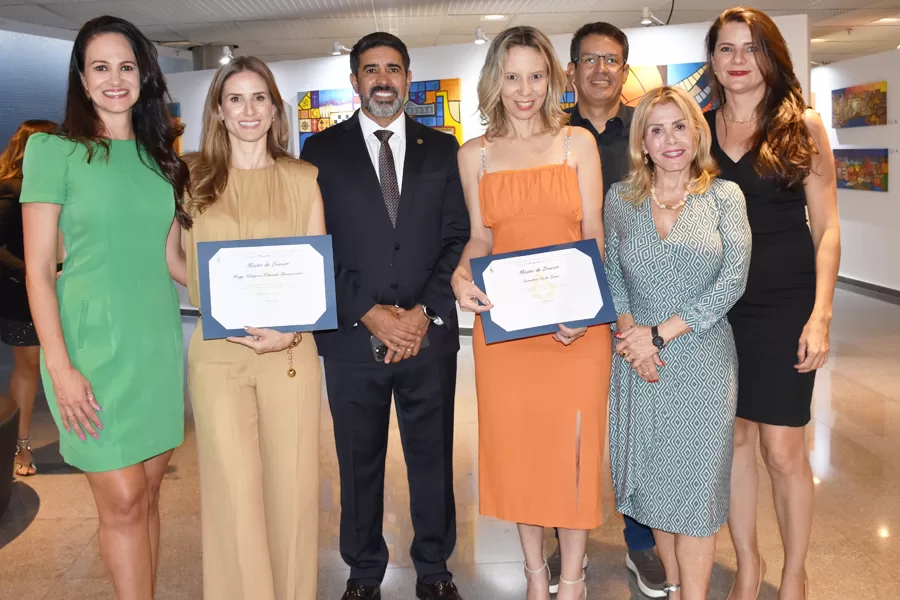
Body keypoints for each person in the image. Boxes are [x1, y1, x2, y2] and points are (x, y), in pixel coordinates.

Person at [19, 15, 189, 599]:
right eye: (100, 67)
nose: (115, 79)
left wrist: (243, 296)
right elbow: (39, 272)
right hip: (88, 346)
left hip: (155, 343)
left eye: (126, 66)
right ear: (82, 78)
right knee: (119, 499)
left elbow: (174, 261)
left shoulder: (158, 156)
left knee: (147, 494)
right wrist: (60, 369)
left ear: (143, 73)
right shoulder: (52, 151)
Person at [300, 32, 469, 600]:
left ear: (408, 77)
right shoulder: (320, 153)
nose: (382, 79)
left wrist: (422, 313)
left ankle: (434, 570)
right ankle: (364, 572)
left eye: (393, 69)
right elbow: (316, 245)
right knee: (358, 462)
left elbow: (457, 238)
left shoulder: (442, 149)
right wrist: (370, 313)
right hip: (352, 340)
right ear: (354, 81)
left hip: (428, 340)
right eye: (370, 69)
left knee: (432, 459)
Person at [451, 26, 609, 600]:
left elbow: (593, 232)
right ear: (495, 80)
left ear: (553, 78)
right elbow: (479, 238)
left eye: (535, 76)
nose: (524, 90)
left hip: (575, 324)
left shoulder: (578, 145)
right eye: (512, 76)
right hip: (508, 328)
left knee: (571, 448)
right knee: (518, 447)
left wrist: (585, 310)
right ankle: (534, 575)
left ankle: (572, 576)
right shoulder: (476, 155)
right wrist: (459, 274)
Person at [704, 8, 840, 600]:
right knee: (733, 440)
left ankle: (793, 573)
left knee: (784, 449)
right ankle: (750, 564)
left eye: (750, 48)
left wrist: (822, 313)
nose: (737, 60)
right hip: (716, 307)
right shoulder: (696, 127)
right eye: (726, 48)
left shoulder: (801, 125)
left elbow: (827, 227)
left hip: (785, 304)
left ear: (771, 57)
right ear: (711, 60)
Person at [182, 56, 324, 600]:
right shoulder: (190, 178)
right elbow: (175, 257)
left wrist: (287, 331)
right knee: (234, 495)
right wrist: (213, 295)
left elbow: (315, 268)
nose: (248, 110)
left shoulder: (302, 178)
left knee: (292, 493)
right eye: (235, 99)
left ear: (274, 108)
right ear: (218, 109)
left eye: (259, 98)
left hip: (290, 350)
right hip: (218, 356)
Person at [604, 86, 752, 600]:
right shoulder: (620, 199)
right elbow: (614, 277)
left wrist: (658, 337)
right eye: (656, 128)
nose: (670, 139)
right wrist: (633, 340)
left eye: (680, 126)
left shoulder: (724, 197)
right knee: (654, 489)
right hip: (636, 363)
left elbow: (732, 279)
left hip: (701, 360)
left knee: (696, 494)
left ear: (697, 133)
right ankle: (671, 584)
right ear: (642, 140)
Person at [564, 22, 666, 598]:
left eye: (612, 60)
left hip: (639, 308)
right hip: (570, 305)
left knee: (636, 431)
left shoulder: (646, 134)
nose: (601, 69)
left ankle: (641, 542)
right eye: (589, 59)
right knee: (572, 432)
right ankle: (565, 543)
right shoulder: (553, 136)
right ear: (571, 70)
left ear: (623, 72)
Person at [0, 119, 56, 476]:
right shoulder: (9, 191)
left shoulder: (51, 187)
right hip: (22, 297)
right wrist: (33, 272)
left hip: (57, 290)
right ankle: (21, 449)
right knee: (28, 369)